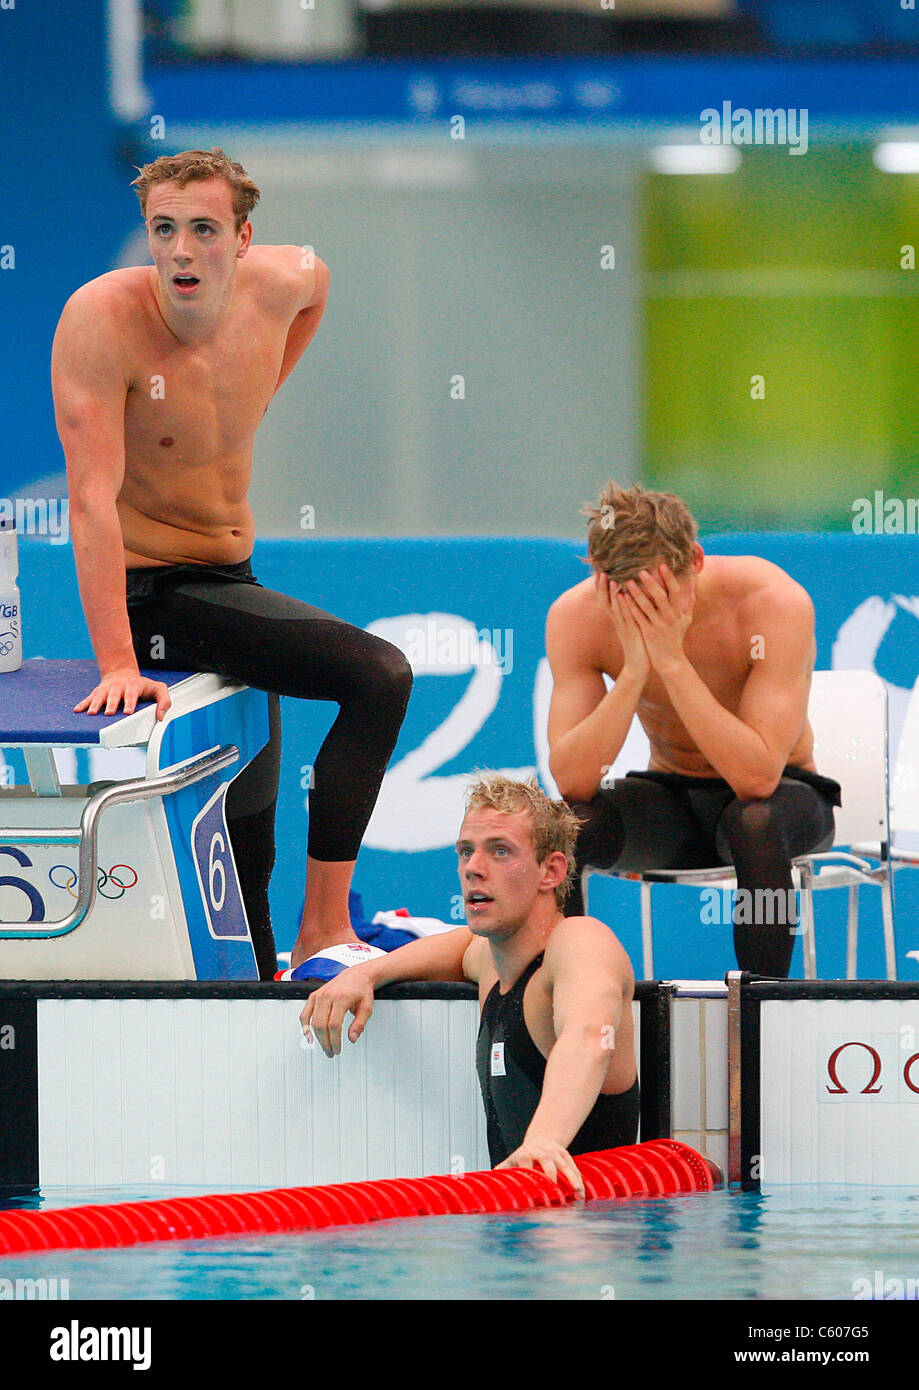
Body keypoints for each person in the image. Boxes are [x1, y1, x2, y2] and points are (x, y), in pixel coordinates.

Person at [51, 148, 413, 980]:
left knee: (249, 870)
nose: (180, 251)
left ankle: (279, 962)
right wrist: (117, 659)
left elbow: (319, 282)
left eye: (203, 230)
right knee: (378, 676)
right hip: (159, 598)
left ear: (243, 238)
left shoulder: (285, 282)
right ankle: (325, 929)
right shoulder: (100, 321)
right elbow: (89, 501)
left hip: (233, 589)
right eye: (164, 230)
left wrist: (264, 382)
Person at [546, 481, 840, 979]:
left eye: (658, 590)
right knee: (566, 826)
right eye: (626, 593)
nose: (644, 609)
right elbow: (574, 782)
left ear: (696, 562)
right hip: (674, 805)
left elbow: (757, 778)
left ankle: (760, 1009)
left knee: (755, 822)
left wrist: (672, 662)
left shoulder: (770, 600)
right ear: (600, 578)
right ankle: (560, 998)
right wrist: (635, 671)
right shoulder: (577, 617)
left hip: (783, 800)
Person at [300, 774, 639, 1195]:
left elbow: (589, 1036)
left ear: (551, 870)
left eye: (500, 851)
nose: (473, 868)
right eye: (466, 852)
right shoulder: (491, 960)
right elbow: (459, 945)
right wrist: (365, 973)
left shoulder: (582, 943)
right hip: (519, 1218)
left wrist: (544, 1142)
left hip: (593, 1235)